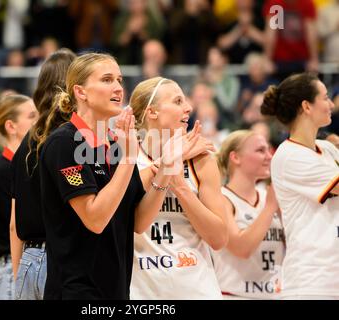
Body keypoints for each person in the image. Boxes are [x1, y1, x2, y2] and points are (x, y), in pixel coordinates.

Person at [39, 53, 201, 300]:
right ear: (80, 92)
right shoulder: (64, 144)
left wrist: (167, 167)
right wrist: (128, 158)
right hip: (75, 291)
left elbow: (138, 221)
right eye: (106, 80)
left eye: (119, 79)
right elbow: (95, 219)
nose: (117, 87)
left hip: (117, 290)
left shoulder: (115, 144)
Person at [129, 77, 228, 299]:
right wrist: (166, 163)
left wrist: (181, 187)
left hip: (196, 288)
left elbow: (219, 239)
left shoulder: (201, 160)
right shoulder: (127, 157)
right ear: (152, 112)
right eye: (177, 101)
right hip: (143, 291)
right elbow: (134, 223)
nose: (188, 107)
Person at [261, 72, 339, 299]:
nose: (331, 104)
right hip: (312, 280)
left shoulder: (328, 149)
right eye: (325, 97)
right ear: (306, 106)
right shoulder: (289, 156)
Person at [10, 48, 76, 300]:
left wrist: (19, 277)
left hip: (28, 259)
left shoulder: (25, 144)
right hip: (63, 260)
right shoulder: (73, 141)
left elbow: (14, 224)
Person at [211, 130, 285, 299]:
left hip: (275, 294)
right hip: (235, 294)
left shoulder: (268, 196)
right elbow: (241, 248)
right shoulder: (222, 198)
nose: (269, 156)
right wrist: (270, 208)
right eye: (260, 151)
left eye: (268, 150)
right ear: (235, 157)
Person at [0, 94, 38, 300]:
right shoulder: (1, 170)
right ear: (11, 126)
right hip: (12, 271)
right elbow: (17, 226)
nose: (39, 120)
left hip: (22, 268)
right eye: (32, 115)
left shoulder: (22, 166)